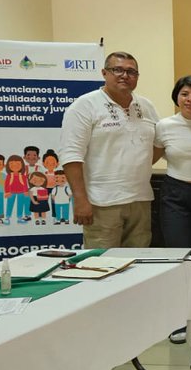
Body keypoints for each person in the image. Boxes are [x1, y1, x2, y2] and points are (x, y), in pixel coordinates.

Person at [58, 51, 158, 248]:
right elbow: (70, 155)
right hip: (101, 203)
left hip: (140, 200)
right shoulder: (84, 106)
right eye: (117, 70)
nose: (124, 75)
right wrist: (80, 200)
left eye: (131, 72)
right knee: (101, 266)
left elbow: (159, 143)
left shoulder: (146, 106)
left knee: (138, 267)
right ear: (104, 73)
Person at [153, 75, 191, 344]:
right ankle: (180, 320)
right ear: (177, 96)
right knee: (181, 257)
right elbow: (148, 159)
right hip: (175, 195)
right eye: (185, 94)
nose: (190, 99)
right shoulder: (164, 126)